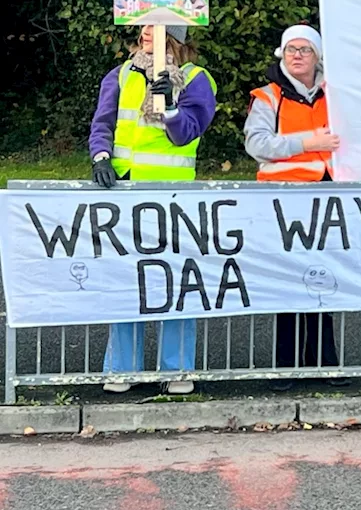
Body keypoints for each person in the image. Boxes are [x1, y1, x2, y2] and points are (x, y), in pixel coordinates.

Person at [89, 24, 217, 394]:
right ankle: (121, 369)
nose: (147, 32)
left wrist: (172, 107)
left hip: (173, 196)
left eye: (157, 27)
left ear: (175, 37)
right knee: (126, 278)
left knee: (177, 279)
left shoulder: (196, 79)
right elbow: (103, 123)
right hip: (124, 191)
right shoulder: (121, 74)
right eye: (144, 25)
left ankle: (177, 370)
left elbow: (187, 133)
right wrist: (100, 157)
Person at [244, 24, 346, 390]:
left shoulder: (337, 94)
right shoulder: (268, 96)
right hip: (283, 200)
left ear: (318, 56)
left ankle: (324, 363)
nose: (297, 55)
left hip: (327, 197)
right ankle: (286, 367)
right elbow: (257, 144)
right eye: (291, 49)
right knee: (289, 283)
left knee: (325, 280)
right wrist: (308, 141)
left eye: (305, 49)